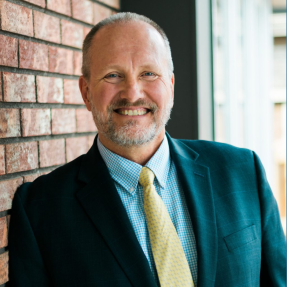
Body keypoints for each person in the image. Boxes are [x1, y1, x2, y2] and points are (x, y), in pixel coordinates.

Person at [9, 12, 286, 287]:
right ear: (86, 92)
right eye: (113, 75)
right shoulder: (41, 210)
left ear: (171, 86)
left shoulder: (242, 171)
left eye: (149, 73)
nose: (132, 93)